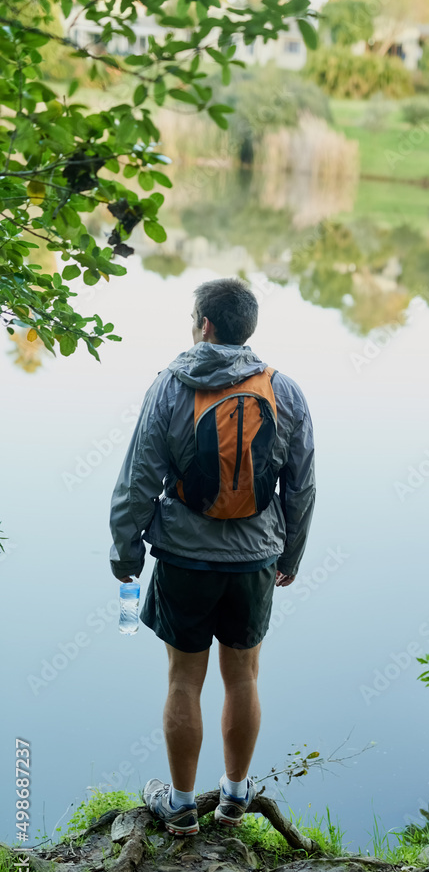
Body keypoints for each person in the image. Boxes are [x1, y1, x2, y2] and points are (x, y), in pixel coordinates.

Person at [109, 277, 315, 836]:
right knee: (244, 675)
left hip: (183, 557)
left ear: (204, 324)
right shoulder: (285, 390)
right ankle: (234, 796)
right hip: (255, 561)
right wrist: (290, 554)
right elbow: (301, 487)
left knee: (183, 680)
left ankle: (178, 805)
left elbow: (137, 480)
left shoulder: (170, 386)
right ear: (246, 328)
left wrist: (124, 551)